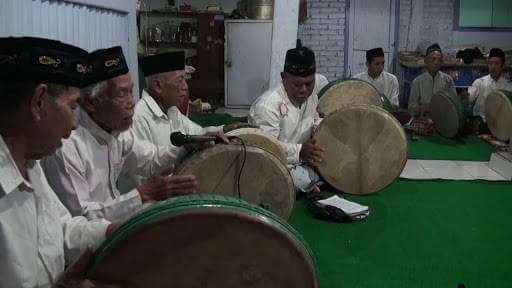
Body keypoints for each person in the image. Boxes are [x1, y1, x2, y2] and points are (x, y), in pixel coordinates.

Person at [0, 36, 117, 287]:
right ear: (38, 102)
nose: (76, 123)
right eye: (73, 106)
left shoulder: (31, 164)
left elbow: (60, 230)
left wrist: (114, 232)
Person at [41, 47, 202, 224]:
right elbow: (81, 219)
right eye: (121, 94)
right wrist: (142, 195)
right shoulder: (66, 146)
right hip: (94, 244)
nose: (131, 103)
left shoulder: (116, 132)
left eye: (131, 92)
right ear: (91, 103)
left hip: (116, 228)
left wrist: (187, 145)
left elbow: (151, 160)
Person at [118, 51, 230, 192]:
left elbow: (197, 133)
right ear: (158, 86)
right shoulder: (138, 119)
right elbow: (141, 183)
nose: (185, 86)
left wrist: (225, 129)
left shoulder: (172, 111)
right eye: (180, 80)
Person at [249, 40, 327, 193]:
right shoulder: (267, 106)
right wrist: (299, 152)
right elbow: (266, 148)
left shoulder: (311, 97)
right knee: (288, 181)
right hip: (275, 165)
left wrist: (325, 128)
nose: (304, 90)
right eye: (297, 85)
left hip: (304, 161)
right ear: (283, 77)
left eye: (309, 84)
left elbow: (315, 121)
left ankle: (312, 182)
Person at [462, 48, 512, 121]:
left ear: (503, 65)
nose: (493, 66)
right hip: (481, 122)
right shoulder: (479, 82)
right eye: (490, 63)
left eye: (496, 63)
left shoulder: (509, 86)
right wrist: (464, 97)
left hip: (501, 125)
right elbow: (469, 97)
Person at [408, 44, 457, 117]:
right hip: (423, 120)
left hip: (442, 120)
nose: (436, 62)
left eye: (439, 60)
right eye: (433, 59)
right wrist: (423, 108)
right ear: (426, 61)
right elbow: (411, 108)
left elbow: (454, 103)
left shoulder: (448, 80)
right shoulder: (417, 82)